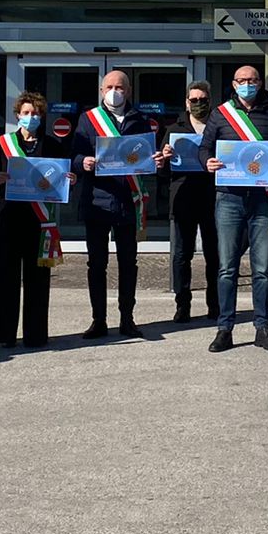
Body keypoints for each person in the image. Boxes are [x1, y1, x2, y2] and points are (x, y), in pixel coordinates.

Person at [201, 64, 268, 351]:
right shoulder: (220, 114)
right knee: (227, 268)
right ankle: (224, 328)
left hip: (261, 197)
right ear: (234, 83)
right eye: (242, 80)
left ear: (260, 82)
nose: (247, 84)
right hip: (228, 197)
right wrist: (208, 162)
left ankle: (262, 327)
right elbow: (205, 147)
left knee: (262, 268)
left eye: (252, 80)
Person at [73, 68, 157, 338]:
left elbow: (146, 157)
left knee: (128, 263)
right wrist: (81, 162)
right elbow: (74, 154)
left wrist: (154, 161)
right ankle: (98, 320)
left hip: (126, 201)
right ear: (101, 91)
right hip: (96, 200)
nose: (114, 92)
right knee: (96, 264)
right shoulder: (88, 120)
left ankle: (127, 318)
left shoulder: (140, 121)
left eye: (119, 87)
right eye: (109, 87)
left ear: (128, 91)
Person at [0, 91, 73, 348]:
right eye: (26, 113)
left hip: (39, 222)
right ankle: (5, 336)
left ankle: (36, 335)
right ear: (17, 116)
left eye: (35, 113)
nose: (30, 117)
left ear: (41, 116)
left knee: (37, 280)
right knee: (6, 279)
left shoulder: (53, 145)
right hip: (9, 219)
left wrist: (69, 181)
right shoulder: (2, 143)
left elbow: (61, 178)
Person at [163, 80, 220, 324]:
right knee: (181, 256)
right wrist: (163, 160)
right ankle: (182, 305)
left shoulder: (220, 128)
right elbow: (162, 172)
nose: (198, 104)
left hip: (213, 198)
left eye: (203, 99)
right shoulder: (173, 129)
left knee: (215, 256)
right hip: (183, 198)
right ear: (187, 102)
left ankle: (215, 305)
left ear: (210, 100)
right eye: (194, 100)